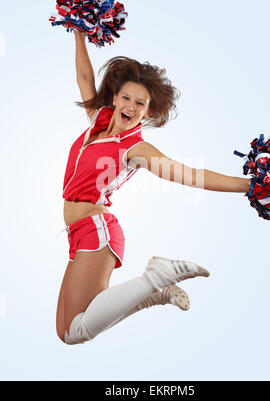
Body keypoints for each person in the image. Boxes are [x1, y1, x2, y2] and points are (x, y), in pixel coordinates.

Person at [56, 31, 251, 345]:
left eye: (140, 103)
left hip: (97, 230)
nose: (131, 106)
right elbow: (83, 76)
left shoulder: (135, 148)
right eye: (127, 98)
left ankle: (157, 275)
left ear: (148, 112)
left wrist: (250, 185)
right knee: (64, 329)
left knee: (76, 332)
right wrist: (79, 35)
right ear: (115, 98)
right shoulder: (98, 119)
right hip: (77, 231)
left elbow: (191, 175)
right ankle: (156, 294)